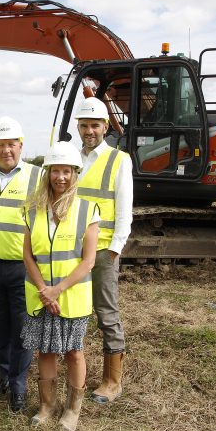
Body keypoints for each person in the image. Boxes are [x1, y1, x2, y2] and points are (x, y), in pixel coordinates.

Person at [22, 141, 99, 431]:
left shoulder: (87, 210)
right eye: (56, 171)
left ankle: (72, 410)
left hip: (72, 297)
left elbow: (88, 260)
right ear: (48, 173)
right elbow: (28, 255)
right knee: (45, 351)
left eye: (66, 171)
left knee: (74, 352)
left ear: (74, 173)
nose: (61, 177)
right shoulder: (33, 209)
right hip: (41, 296)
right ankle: (46, 406)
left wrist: (57, 290)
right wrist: (44, 289)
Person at [0, 116, 41, 413]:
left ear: (21, 145)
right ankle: (4, 374)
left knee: (22, 328)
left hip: (22, 267)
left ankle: (19, 385)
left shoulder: (36, 177)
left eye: (11, 144)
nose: (6, 150)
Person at [74, 97, 133, 404]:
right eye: (84, 125)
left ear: (105, 127)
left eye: (94, 125)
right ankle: (77, 370)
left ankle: (112, 380)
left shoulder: (118, 160)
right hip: (74, 249)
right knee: (77, 311)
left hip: (102, 251)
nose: (89, 131)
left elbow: (125, 211)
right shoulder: (73, 159)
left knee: (106, 313)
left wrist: (115, 249)